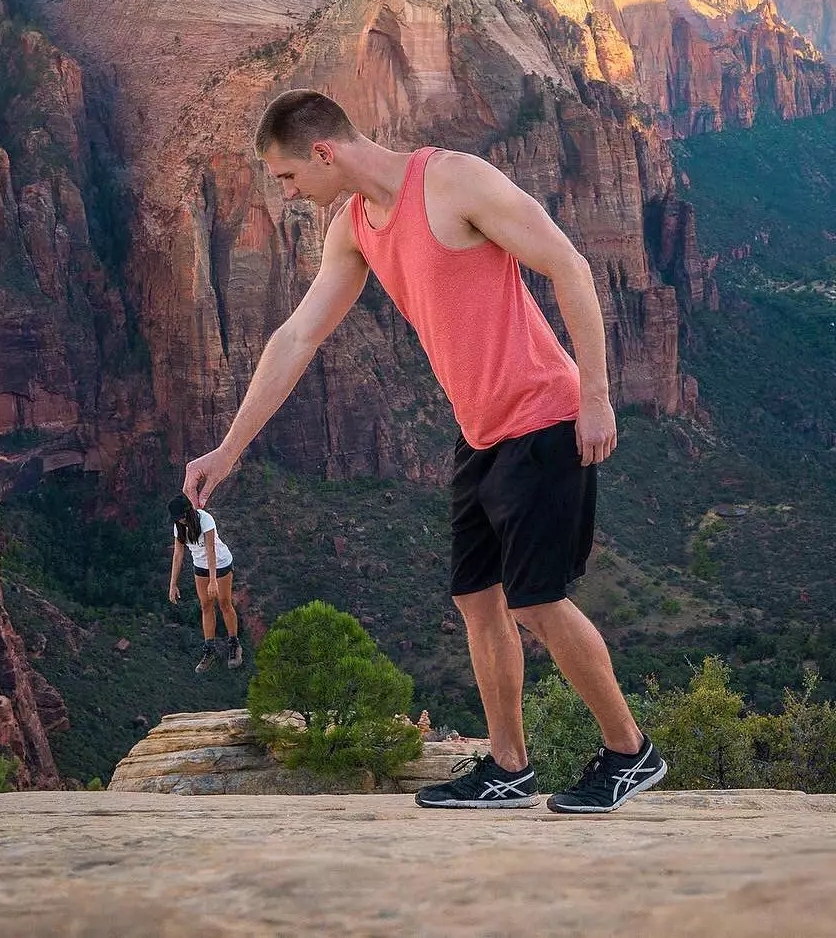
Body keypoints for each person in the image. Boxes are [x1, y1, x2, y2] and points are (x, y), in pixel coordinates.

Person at [182, 89, 667, 814]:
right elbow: (297, 338)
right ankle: (509, 766)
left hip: (544, 415)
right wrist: (229, 447)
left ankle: (630, 752)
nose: (288, 194)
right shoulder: (353, 227)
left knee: (537, 600)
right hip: (480, 434)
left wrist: (596, 397)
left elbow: (570, 265)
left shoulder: (454, 181)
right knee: (478, 600)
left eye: (287, 178)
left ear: (324, 152)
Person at [167, 496, 243, 673]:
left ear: (187, 512)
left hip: (221, 563)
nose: (179, 520)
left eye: (180, 516)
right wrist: (173, 584)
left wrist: (213, 581)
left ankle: (234, 645)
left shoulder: (205, 519)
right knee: (206, 605)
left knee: (224, 603)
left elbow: (211, 551)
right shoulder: (179, 527)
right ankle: (210, 650)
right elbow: (178, 555)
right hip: (200, 566)